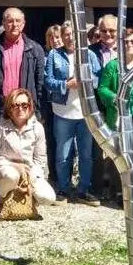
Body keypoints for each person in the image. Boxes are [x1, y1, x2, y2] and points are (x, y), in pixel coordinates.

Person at [44, 21, 101, 205]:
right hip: (63, 111)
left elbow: (98, 79)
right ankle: (64, 189)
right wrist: (65, 85)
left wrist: (84, 81)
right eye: (67, 34)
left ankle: (84, 190)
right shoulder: (54, 55)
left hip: (85, 113)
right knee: (63, 153)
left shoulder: (90, 54)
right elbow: (47, 81)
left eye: (74, 34)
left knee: (86, 154)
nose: (70, 37)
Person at [97, 28, 133, 200]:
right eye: (126, 42)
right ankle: (119, 191)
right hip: (119, 116)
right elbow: (102, 89)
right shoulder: (113, 66)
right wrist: (116, 98)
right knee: (121, 156)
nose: (130, 45)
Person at [0, 89, 56, 208]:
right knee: (12, 176)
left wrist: (32, 177)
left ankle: (27, 198)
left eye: (24, 105)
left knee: (48, 197)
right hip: (2, 171)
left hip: (28, 171)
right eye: (15, 105)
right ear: (9, 108)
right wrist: (15, 166)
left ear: (30, 106)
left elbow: (40, 159)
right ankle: (1, 199)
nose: (20, 109)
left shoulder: (37, 128)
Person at [0, 8, 47, 125]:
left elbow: (40, 84)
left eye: (18, 21)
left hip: (25, 108)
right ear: (3, 24)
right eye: (10, 21)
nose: (14, 24)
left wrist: (38, 112)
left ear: (23, 24)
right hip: (0, 109)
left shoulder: (35, 49)